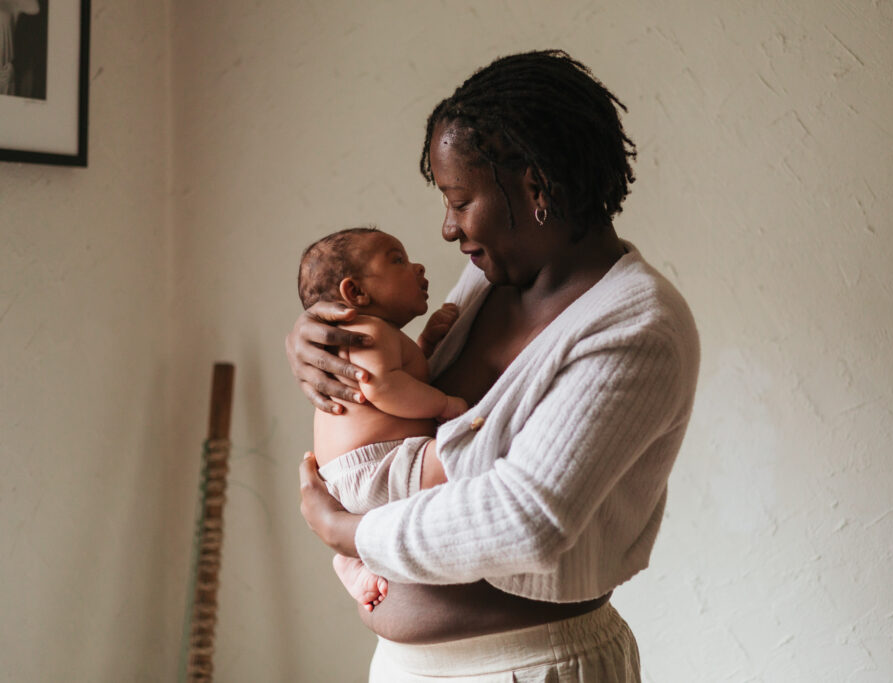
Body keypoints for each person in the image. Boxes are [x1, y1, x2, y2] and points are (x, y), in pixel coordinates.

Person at [287, 50, 700, 681]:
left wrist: (345, 532)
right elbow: (403, 372)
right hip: (402, 667)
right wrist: (317, 334)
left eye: (459, 200)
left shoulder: (638, 326)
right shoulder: (490, 282)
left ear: (536, 188)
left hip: (533, 667)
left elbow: (525, 519)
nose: (448, 229)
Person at [297, 226, 466, 611]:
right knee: (460, 457)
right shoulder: (367, 331)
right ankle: (355, 555)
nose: (417, 267)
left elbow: (401, 378)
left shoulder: (370, 336)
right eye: (397, 260)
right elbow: (382, 387)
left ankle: (352, 559)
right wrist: (444, 405)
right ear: (356, 292)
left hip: (352, 475)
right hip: (376, 464)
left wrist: (427, 344)